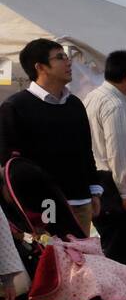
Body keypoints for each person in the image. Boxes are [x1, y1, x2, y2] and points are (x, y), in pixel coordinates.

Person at [0, 39, 101, 235]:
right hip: (45, 206)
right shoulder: (15, 107)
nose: (68, 62)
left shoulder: (75, 104)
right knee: (52, 261)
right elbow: (10, 165)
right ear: (40, 67)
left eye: (67, 56)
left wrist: (94, 190)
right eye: (60, 57)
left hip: (81, 201)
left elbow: (86, 150)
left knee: (82, 261)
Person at [84, 50, 126, 264]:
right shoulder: (114, 105)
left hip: (96, 179)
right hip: (111, 184)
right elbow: (117, 152)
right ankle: (117, 297)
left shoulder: (93, 96)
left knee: (106, 246)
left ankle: (109, 295)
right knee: (117, 252)